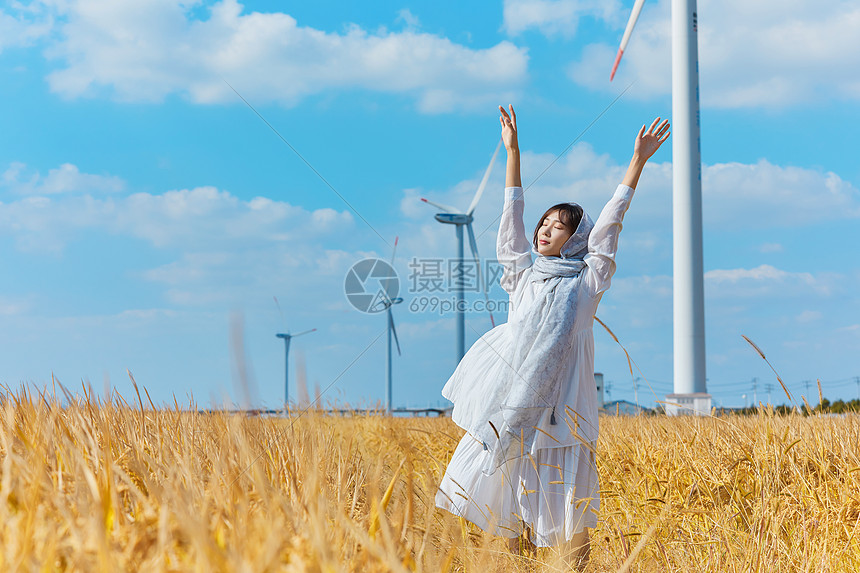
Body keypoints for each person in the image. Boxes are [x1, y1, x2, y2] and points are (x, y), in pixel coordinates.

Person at [434, 105, 670, 565]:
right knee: (505, 503)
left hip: (564, 416)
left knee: (569, 514)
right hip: (513, 409)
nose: (543, 230)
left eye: (557, 226)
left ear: (575, 237)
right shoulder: (522, 279)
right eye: (544, 223)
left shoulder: (586, 285)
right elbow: (511, 224)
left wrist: (636, 164)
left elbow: (609, 230)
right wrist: (513, 154)